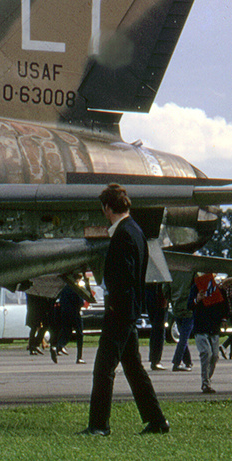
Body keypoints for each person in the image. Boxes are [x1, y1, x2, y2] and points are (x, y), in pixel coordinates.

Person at [81, 184, 167, 436]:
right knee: (133, 368)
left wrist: (115, 308)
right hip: (128, 311)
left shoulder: (123, 234)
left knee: (103, 368)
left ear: (107, 208)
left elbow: (124, 279)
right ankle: (156, 420)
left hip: (120, 312)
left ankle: (99, 425)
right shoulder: (136, 231)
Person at [190, 271, 227, 395]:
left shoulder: (217, 288)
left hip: (214, 326)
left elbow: (224, 304)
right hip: (201, 325)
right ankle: (206, 383)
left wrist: (223, 319)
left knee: (215, 355)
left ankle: (208, 378)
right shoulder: (196, 287)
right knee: (206, 352)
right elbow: (189, 304)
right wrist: (197, 299)